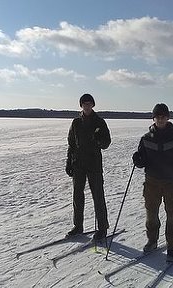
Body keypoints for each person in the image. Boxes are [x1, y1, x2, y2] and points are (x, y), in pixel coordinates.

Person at [132, 103, 173, 262]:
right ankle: (152, 240)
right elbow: (142, 160)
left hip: (171, 182)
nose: (161, 119)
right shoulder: (146, 138)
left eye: (163, 116)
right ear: (154, 118)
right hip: (152, 182)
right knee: (151, 214)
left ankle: (172, 247)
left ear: (168, 117)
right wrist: (137, 160)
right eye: (158, 116)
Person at [65, 93, 111, 240]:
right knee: (77, 196)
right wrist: (69, 162)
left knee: (98, 196)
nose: (87, 105)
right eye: (84, 103)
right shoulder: (76, 123)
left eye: (89, 103)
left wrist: (99, 141)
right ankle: (78, 226)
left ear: (93, 105)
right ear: (81, 105)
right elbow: (71, 144)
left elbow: (106, 143)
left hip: (94, 164)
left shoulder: (99, 122)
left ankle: (102, 228)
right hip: (78, 164)